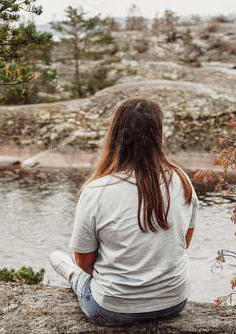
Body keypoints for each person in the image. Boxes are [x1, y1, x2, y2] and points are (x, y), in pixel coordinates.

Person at [50, 97, 198, 327]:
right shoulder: (182, 179)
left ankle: (71, 279)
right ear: (158, 133)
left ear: (116, 133)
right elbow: (183, 243)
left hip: (112, 310)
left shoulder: (96, 191)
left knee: (59, 260)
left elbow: (84, 261)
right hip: (174, 302)